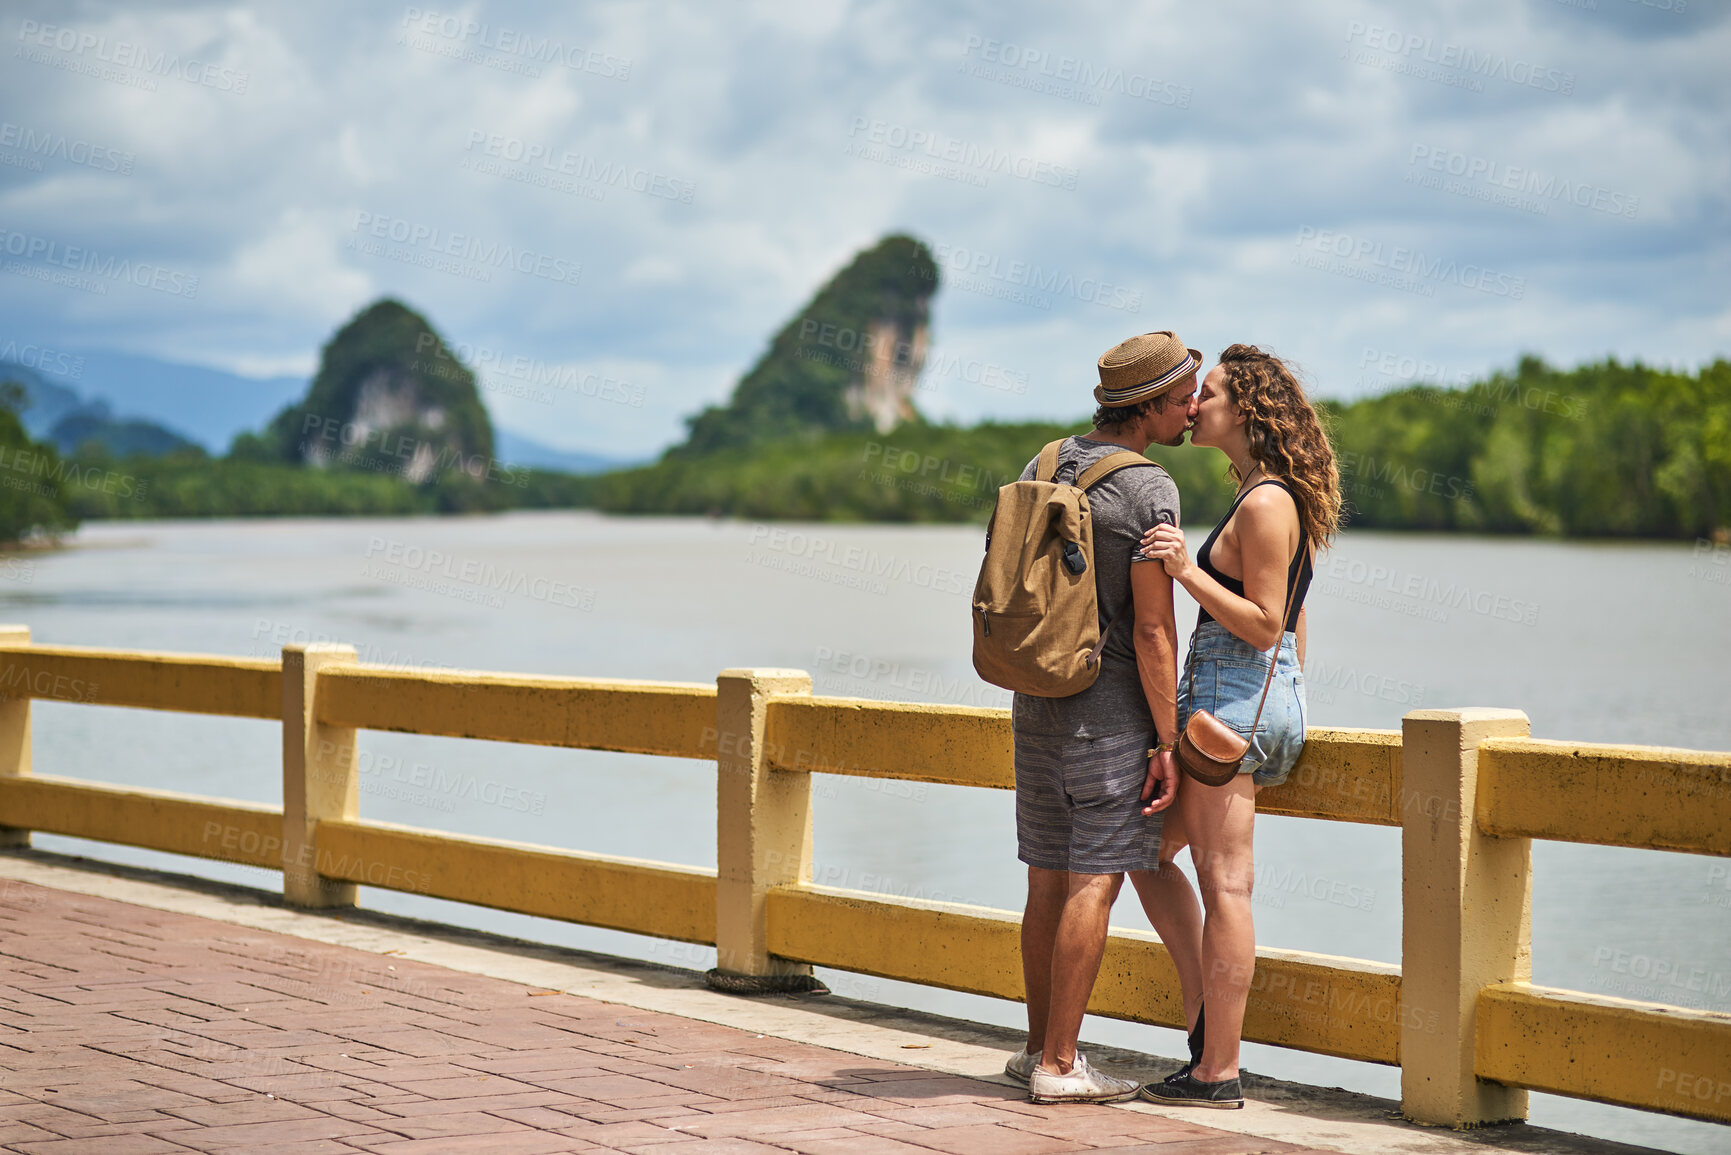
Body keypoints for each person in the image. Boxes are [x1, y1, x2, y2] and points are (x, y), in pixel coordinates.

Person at [1130, 344, 1341, 1109]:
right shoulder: (1276, 495)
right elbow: (1294, 620)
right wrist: (1282, 699)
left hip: (1228, 704)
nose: (1193, 405)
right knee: (1148, 850)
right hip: (1261, 703)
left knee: (1225, 887)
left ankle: (1215, 1068)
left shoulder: (1261, 502)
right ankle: (1202, 1024)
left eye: (1207, 393)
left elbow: (1261, 623)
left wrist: (1184, 571)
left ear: (1245, 410)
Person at [1005, 331, 1195, 1104]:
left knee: (1045, 878)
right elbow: (1152, 628)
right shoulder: (1149, 489)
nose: (1191, 410)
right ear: (1147, 404)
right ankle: (1059, 1065)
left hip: (1034, 698)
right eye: (1184, 397)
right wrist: (1168, 736)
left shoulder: (1042, 462)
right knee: (1095, 882)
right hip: (1110, 714)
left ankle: (1032, 1050)